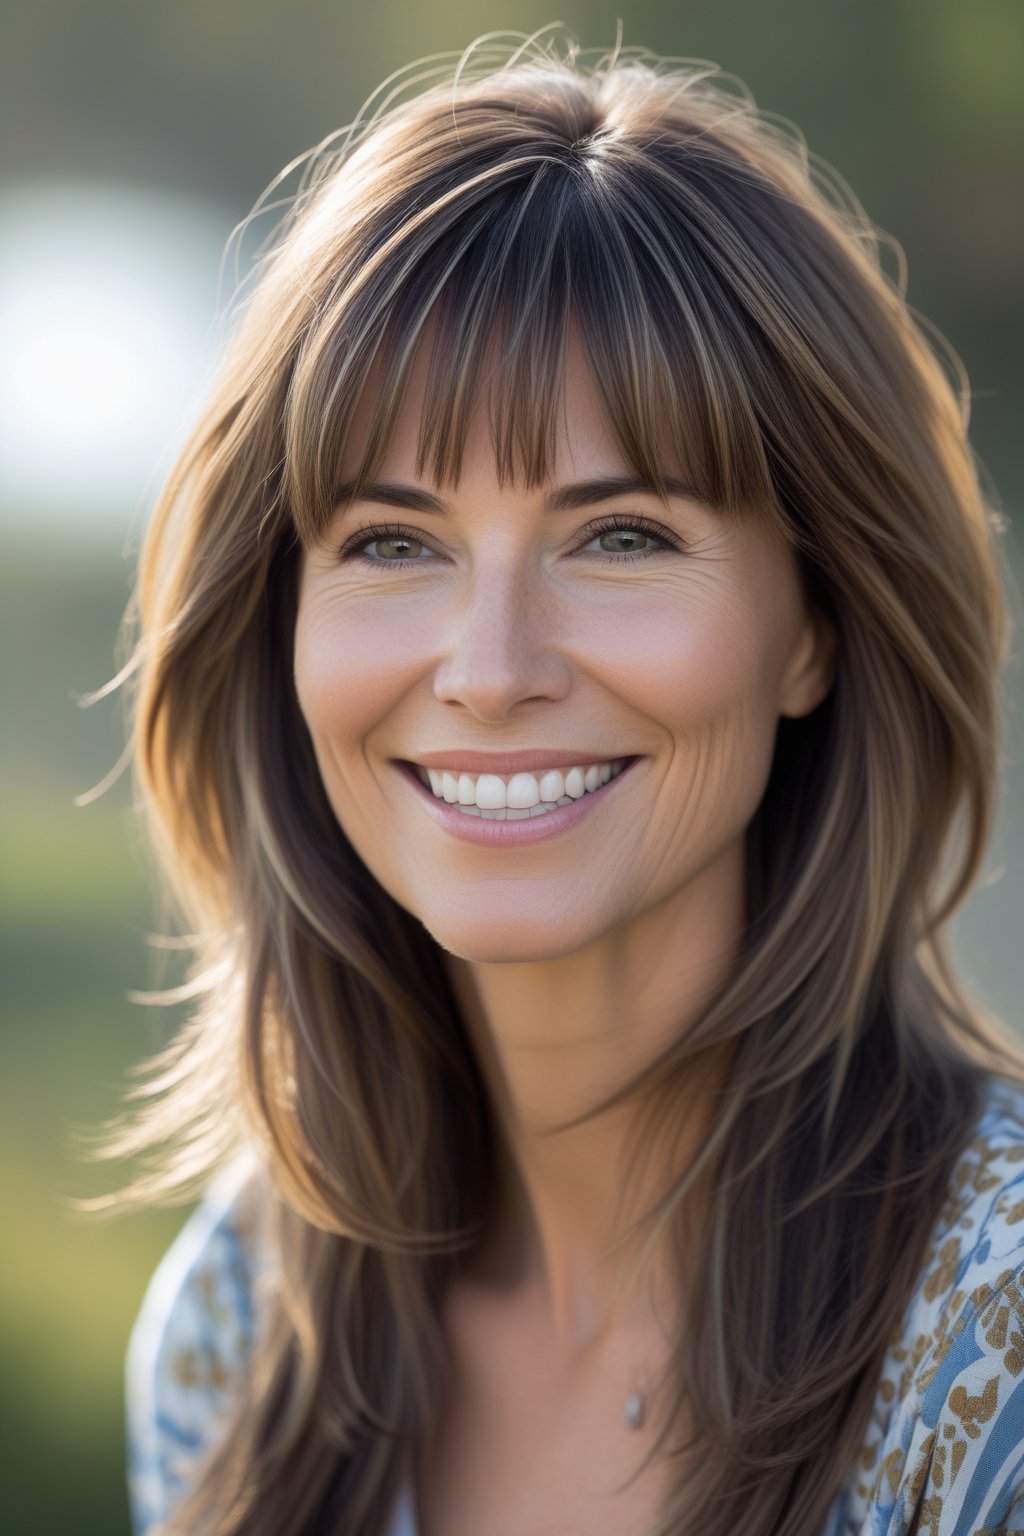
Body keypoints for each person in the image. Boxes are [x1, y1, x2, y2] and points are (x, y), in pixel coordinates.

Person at [99, 28, 1024, 1536]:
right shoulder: (234, 1338)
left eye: (622, 536)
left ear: (817, 626)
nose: (490, 667)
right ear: (282, 627)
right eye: (394, 543)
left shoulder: (997, 1338)